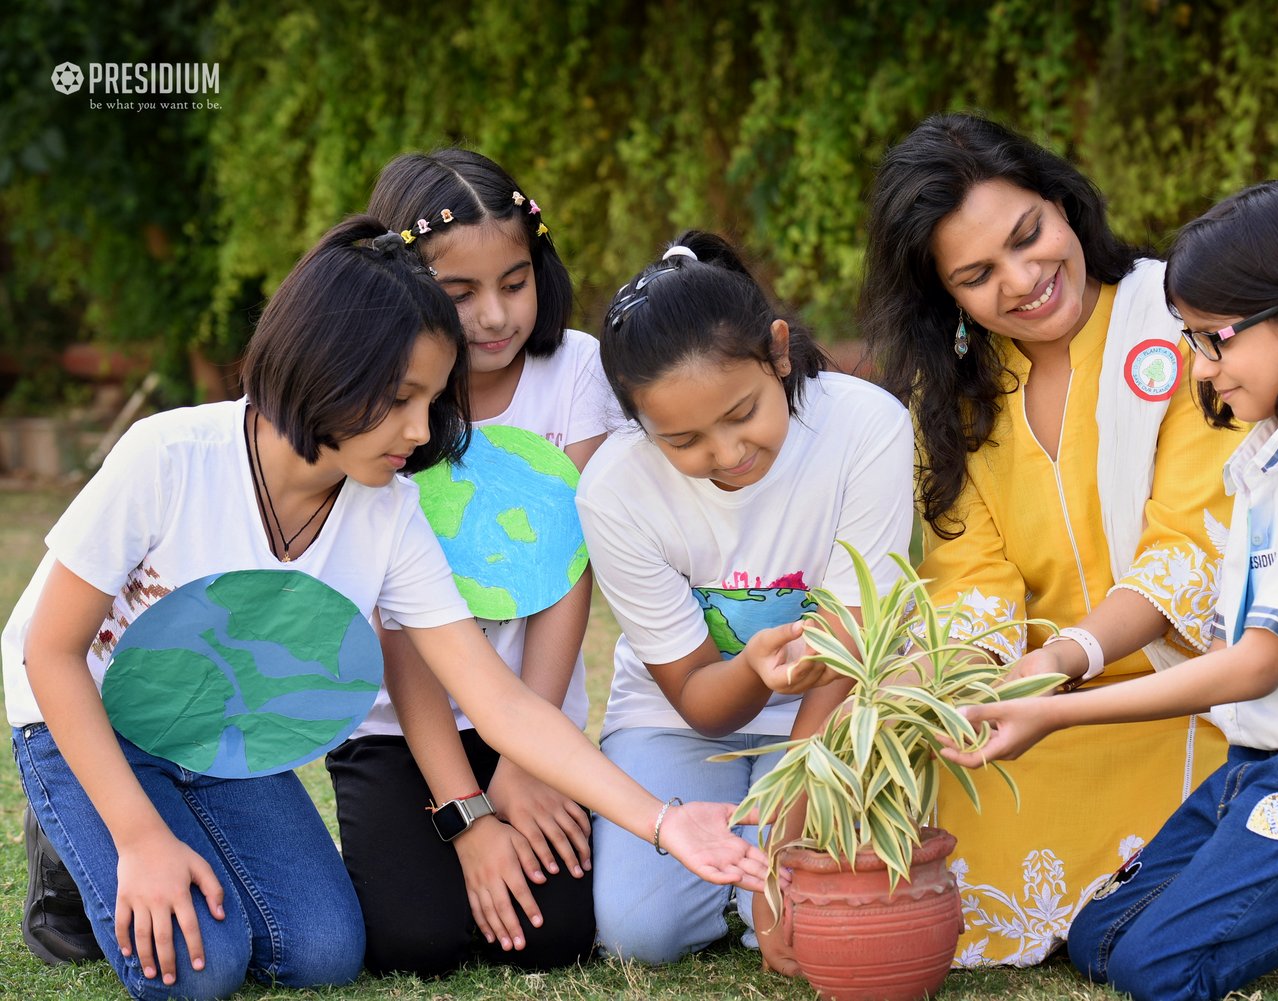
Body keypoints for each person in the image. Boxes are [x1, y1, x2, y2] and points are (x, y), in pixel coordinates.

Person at [2, 216, 766, 1000]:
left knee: (326, 953)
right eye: (402, 398)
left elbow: (496, 699)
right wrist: (137, 838)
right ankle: (75, 849)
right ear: (325, 368)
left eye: (434, 400)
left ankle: (162, 820)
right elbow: (50, 652)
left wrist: (666, 823)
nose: (421, 430)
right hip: (83, 717)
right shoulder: (166, 458)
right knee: (200, 973)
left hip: (217, 730)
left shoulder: (389, 507)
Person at [943, 178, 1278, 1000]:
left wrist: (1054, 700)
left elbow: (1253, 667)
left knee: (1154, 965)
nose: (1200, 370)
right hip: (1265, 761)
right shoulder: (1269, 455)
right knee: (1099, 936)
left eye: (1216, 341)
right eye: (1191, 341)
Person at [859, 112, 1240, 966]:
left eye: (1030, 236)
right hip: (1037, 713)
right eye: (978, 274)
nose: (1025, 279)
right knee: (932, 837)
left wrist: (1062, 661)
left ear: (1063, 203)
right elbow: (970, 582)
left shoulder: (1179, 324)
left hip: (1182, 697)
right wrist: (964, 692)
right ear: (946, 297)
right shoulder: (956, 400)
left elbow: (1191, 549)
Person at [577, 231, 915, 965]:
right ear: (640, 425)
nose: (727, 454)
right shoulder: (613, 490)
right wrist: (754, 670)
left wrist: (789, 822)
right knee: (642, 935)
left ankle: (752, 867)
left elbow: (857, 642)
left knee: (807, 896)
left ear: (779, 350)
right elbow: (699, 698)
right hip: (681, 719)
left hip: (836, 708)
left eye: (742, 412)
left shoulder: (866, 426)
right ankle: (732, 878)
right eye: (685, 439)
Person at [321, 149, 612, 976]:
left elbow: (566, 573)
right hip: (399, 729)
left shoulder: (577, 372)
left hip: (528, 714)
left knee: (555, 938)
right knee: (415, 943)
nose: (493, 316)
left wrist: (527, 758)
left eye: (514, 283)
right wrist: (469, 815)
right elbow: (399, 619)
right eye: (460, 295)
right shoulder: (386, 395)